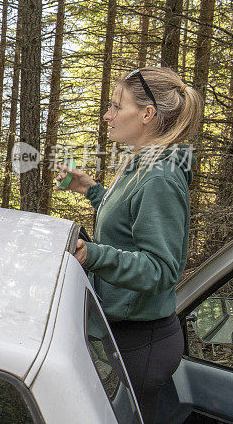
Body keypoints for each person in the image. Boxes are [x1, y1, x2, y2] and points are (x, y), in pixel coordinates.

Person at [55, 66, 202, 424]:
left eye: (117, 106)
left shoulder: (161, 175)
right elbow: (131, 227)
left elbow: (161, 269)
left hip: (141, 344)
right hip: (126, 332)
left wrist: (92, 254)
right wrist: (93, 191)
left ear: (148, 114)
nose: (108, 115)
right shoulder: (144, 161)